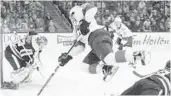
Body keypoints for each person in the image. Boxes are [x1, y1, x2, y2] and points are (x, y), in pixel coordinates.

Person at [58, 3, 148, 82]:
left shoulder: (85, 16)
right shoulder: (75, 31)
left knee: (109, 59)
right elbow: (81, 47)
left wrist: (85, 22)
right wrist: (68, 55)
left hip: (98, 36)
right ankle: (106, 69)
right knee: (84, 66)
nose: (72, 20)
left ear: (77, 13)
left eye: (73, 17)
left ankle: (136, 55)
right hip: (94, 44)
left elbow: (93, 8)